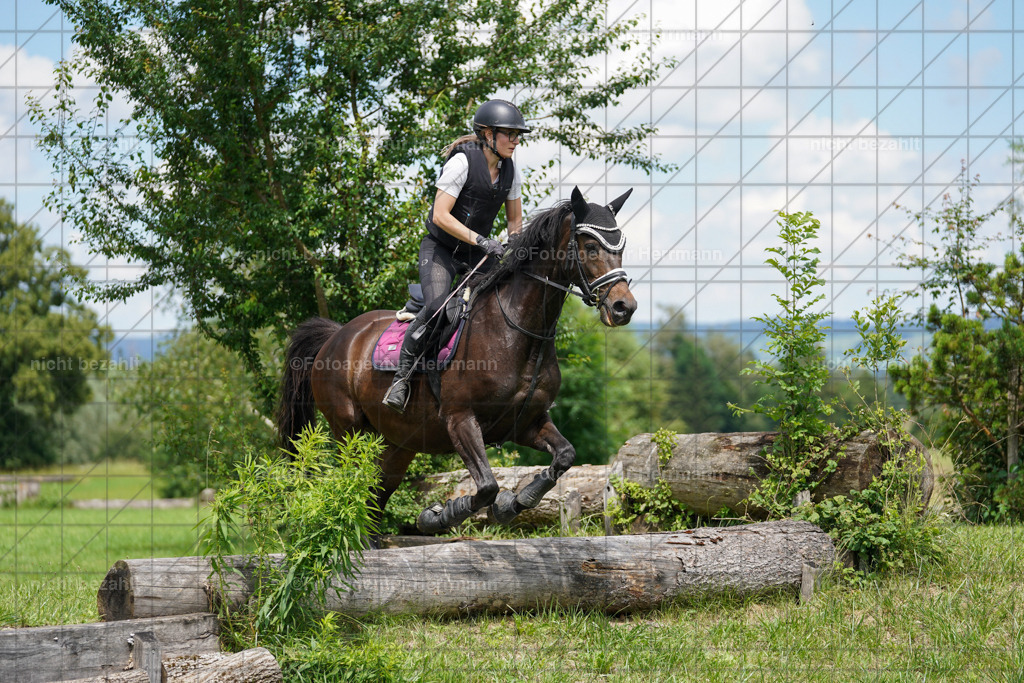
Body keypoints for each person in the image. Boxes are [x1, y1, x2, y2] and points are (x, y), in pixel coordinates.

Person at [382, 99, 530, 412]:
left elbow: (514, 222)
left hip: (478, 253)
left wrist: (516, 246)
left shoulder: (510, 170)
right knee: (439, 307)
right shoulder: (462, 163)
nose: (516, 140)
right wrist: (481, 239)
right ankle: (402, 377)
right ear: (488, 133)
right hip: (442, 251)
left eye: (519, 135)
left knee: (501, 305)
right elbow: (440, 215)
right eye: (510, 134)